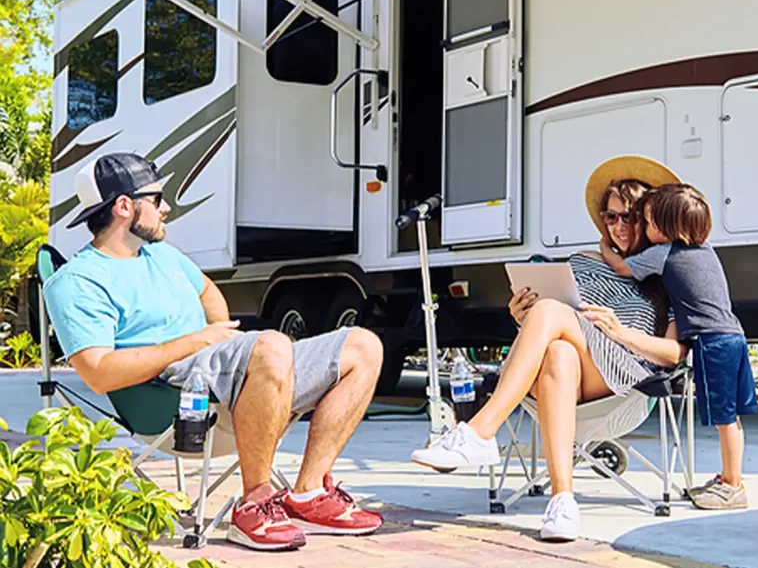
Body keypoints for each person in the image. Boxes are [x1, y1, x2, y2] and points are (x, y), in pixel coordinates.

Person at [42, 153, 385, 552]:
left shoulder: (160, 254)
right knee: (272, 345)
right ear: (124, 206)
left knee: (363, 345)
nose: (166, 207)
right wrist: (197, 342)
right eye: (156, 199)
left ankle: (307, 491)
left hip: (223, 369)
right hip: (170, 392)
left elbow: (206, 291)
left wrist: (220, 339)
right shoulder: (78, 281)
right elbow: (98, 373)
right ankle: (254, 504)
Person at [410, 155, 688, 542]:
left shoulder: (668, 275)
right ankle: (562, 501)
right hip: (571, 372)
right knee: (558, 350)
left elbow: (674, 354)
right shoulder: (585, 262)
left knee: (551, 314)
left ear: (648, 218)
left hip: (627, 383)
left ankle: (481, 431)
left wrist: (619, 331)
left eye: (630, 217)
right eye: (611, 217)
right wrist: (521, 318)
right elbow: (562, 319)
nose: (619, 226)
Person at [601, 182, 757, 510]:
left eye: (649, 222)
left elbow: (620, 268)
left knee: (724, 418)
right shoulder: (705, 249)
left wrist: (605, 243)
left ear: (669, 228)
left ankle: (732, 486)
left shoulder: (663, 252)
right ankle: (732, 476)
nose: (645, 227)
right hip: (735, 336)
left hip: (710, 340)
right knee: (734, 417)